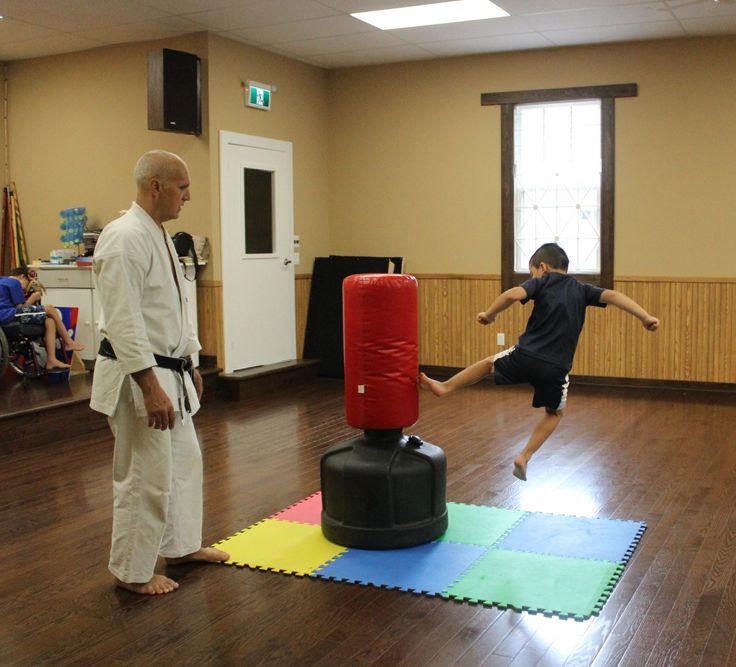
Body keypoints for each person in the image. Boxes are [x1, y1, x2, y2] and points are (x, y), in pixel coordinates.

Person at [90, 150, 228, 595]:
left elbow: (172, 307)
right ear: (156, 186)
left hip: (172, 372)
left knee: (185, 464)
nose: (187, 196)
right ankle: (132, 572)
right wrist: (150, 385)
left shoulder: (159, 235)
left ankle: (182, 546)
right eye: (182, 187)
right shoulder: (123, 237)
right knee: (143, 475)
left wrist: (191, 358)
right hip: (138, 377)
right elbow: (124, 319)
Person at [419, 243, 659, 482]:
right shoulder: (582, 289)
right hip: (556, 368)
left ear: (542, 267)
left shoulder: (542, 281)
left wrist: (489, 314)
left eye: (532, 272)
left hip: (526, 355)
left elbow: (512, 294)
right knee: (554, 413)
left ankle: (445, 386)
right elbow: (614, 296)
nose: (532, 276)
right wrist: (645, 316)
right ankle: (524, 456)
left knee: (490, 363)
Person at [0, 266, 85, 371]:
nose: (24, 288)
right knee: (50, 309)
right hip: (7, 315)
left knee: (49, 321)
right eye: (27, 283)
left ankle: (51, 360)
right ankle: (69, 342)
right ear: (22, 276)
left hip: (6, 315)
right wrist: (33, 297)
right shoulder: (14, 282)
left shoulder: (3, 281)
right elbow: (20, 308)